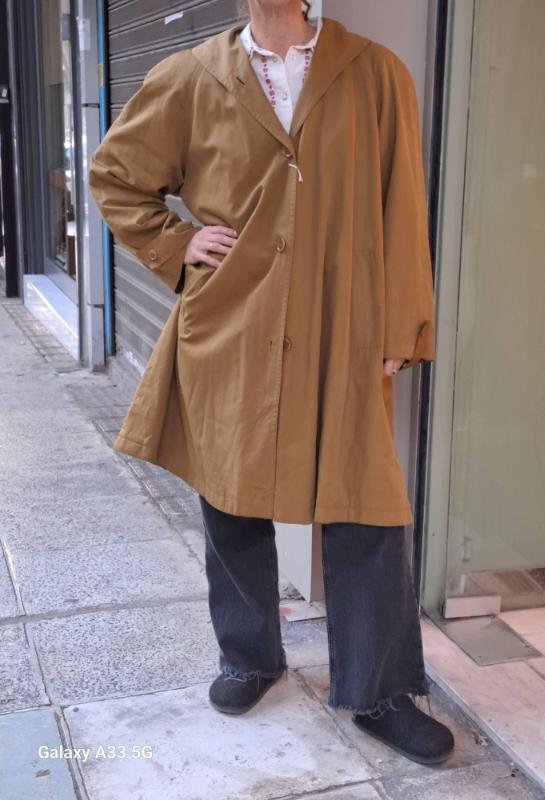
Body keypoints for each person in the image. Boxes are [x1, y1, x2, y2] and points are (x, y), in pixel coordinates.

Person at [88, 0, 454, 766]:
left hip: (343, 324)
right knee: (230, 497)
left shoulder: (375, 73)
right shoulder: (190, 75)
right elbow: (115, 176)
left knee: (366, 507)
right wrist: (179, 243)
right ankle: (250, 655)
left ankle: (380, 692)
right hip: (233, 322)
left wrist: (402, 326)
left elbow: (402, 205)